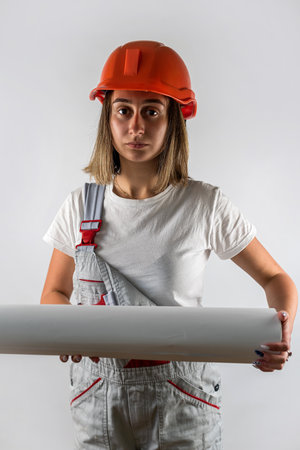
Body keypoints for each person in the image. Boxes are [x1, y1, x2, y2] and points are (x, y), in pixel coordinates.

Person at [41, 40, 297, 450]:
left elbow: (274, 277)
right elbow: (54, 292)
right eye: (123, 110)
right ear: (108, 117)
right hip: (98, 402)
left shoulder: (204, 205)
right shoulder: (80, 205)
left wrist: (282, 328)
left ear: (173, 120)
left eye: (151, 112)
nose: (136, 127)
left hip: (184, 402)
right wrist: (64, 329)